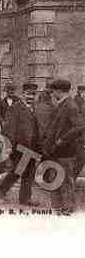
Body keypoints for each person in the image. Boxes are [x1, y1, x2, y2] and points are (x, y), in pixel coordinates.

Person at [42, 79, 85, 215]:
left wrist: (62, 140)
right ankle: (58, 207)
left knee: (65, 180)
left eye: (53, 91)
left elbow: (79, 126)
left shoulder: (70, 105)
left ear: (59, 91)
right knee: (55, 178)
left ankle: (68, 207)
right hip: (56, 150)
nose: (52, 94)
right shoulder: (62, 104)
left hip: (65, 151)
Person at [0, 83, 41, 206]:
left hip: (31, 146)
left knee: (28, 172)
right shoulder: (15, 108)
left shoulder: (33, 108)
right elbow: (8, 128)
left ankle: (24, 199)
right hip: (19, 146)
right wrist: (9, 145)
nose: (31, 97)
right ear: (23, 94)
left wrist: (38, 146)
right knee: (19, 170)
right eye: (28, 94)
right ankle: (3, 187)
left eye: (33, 94)